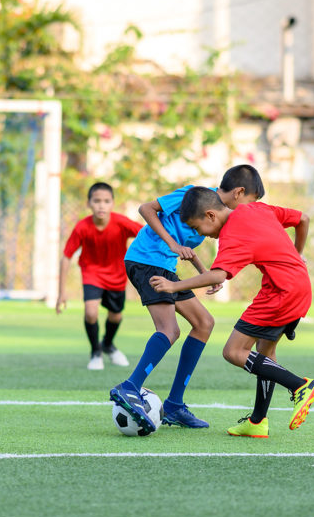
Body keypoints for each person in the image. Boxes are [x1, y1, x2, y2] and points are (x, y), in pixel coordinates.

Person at [148, 186, 314, 438]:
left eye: (198, 229)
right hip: (299, 286)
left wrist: (174, 285)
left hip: (279, 294)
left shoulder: (232, 234)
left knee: (234, 351)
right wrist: (297, 255)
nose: (202, 235)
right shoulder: (255, 208)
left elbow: (219, 275)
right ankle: (257, 421)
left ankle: (300, 386)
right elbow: (303, 218)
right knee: (266, 353)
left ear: (211, 216)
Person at [109, 164, 265, 434]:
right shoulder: (193, 196)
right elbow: (146, 208)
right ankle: (130, 387)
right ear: (239, 193)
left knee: (204, 322)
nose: (249, 209)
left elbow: (188, 252)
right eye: (250, 202)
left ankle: (174, 406)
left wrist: (207, 275)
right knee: (169, 330)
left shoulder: (216, 218)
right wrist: (170, 243)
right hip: (145, 260)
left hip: (165, 268)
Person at [56, 182, 143, 370]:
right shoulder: (82, 227)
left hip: (117, 276)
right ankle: (95, 352)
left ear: (112, 203)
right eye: (96, 201)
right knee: (90, 312)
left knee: (116, 317)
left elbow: (146, 233)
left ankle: (108, 345)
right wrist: (61, 292)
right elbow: (66, 257)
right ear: (89, 203)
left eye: (106, 201)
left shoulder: (121, 222)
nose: (101, 205)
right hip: (92, 273)